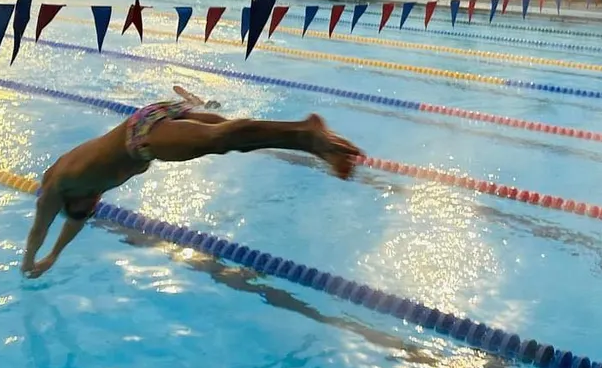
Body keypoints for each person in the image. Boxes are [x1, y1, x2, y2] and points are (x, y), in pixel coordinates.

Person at [20, 87, 362, 278]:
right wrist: (53, 257)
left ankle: (307, 133)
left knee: (223, 139)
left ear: (71, 203)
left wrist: (28, 262)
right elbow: (72, 227)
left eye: (85, 210)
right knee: (233, 137)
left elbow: (40, 227)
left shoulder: (58, 187)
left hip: (141, 137)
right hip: (150, 118)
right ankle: (318, 143)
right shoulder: (82, 190)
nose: (92, 208)